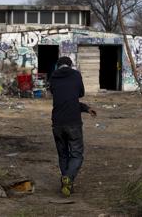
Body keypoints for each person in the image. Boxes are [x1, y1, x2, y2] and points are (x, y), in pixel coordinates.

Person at [49, 56, 97, 197]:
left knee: (63, 154)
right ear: (70, 65)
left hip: (57, 122)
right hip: (73, 122)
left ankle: (67, 185)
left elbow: (61, 96)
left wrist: (86, 108)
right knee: (76, 155)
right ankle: (68, 178)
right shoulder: (76, 75)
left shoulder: (53, 76)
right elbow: (80, 94)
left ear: (58, 66)